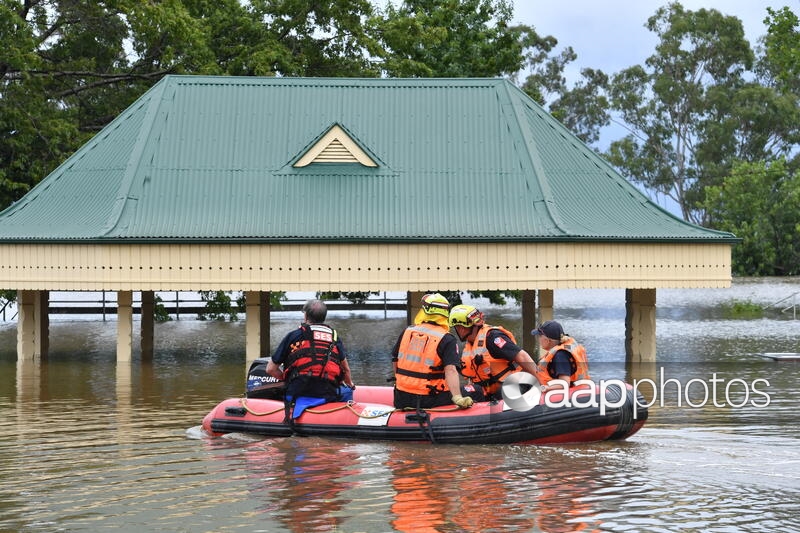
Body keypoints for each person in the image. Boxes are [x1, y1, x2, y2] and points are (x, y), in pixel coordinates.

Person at [392, 293, 474, 409]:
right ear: (446, 314)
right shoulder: (447, 338)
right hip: (430, 399)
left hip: (402, 397)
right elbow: (451, 370)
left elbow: (395, 361)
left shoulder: (407, 331)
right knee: (477, 391)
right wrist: (457, 397)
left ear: (424, 311)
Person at [266, 298, 355, 403]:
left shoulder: (293, 336)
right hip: (327, 394)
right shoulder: (334, 337)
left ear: (306, 316)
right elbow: (346, 370)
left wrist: (288, 380)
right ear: (324, 317)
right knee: (347, 391)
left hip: (296, 392)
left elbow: (270, 369)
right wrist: (350, 385)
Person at [448, 304, 538, 401]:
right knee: (464, 391)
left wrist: (541, 380)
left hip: (515, 384)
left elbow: (522, 356)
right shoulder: (470, 345)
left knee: (504, 391)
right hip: (488, 391)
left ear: (462, 328)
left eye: (457, 327)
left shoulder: (493, 337)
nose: (458, 330)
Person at [530, 320, 591, 389]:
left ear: (547, 340)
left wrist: (546, 388)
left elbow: (564, 384)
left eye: (540, 336)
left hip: (571, 395)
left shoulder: (560, 356)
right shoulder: (561, 351)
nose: (538, 339)